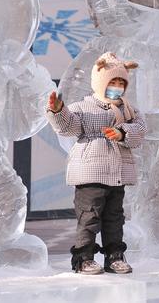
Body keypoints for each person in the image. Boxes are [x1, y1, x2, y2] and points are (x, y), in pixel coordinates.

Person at [47, 52, 147, 275]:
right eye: (113, 82)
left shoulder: (128, 110)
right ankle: (83, 258)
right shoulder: (83, 107)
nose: (117, 87)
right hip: (90, 172)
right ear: (100, 82)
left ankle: (114, 256)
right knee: (89, 217)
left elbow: (140, 130)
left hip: (117, 172)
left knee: (114, 217)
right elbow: (68, 127)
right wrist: (57, 111)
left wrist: (122, 132)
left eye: (121, 83)